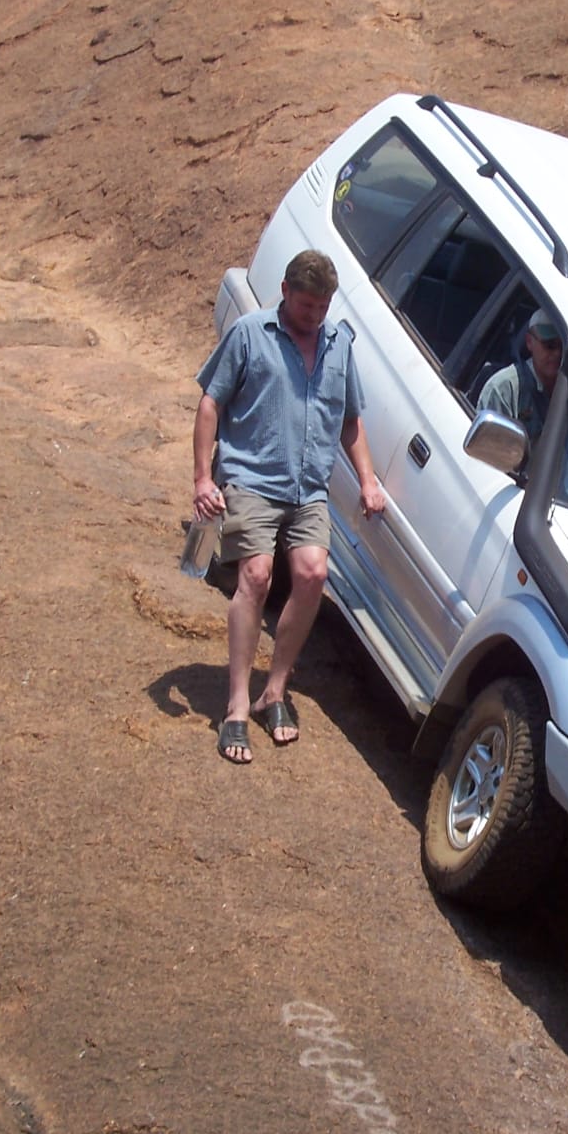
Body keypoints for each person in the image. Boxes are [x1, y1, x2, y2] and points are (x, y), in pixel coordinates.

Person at [193, 249, 384, 764]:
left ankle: (273, 691)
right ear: (285, 291)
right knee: (256, 576)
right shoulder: (250, 334)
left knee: (313, 574)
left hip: (308, 487)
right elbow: (211, 402)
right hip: (252, 477)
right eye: (306, 306)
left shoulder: (339, 346)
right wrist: (202, 478)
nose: (315, 316)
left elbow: (350, 421)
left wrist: (368, 481)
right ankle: (236, 705)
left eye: (322, 307)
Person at [476, 308, 562, 442]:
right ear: (529, 342)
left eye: (562, 346)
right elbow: (487, 447)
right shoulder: (504, 389)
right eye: (550, 345)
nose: (557, 353)